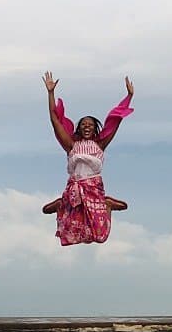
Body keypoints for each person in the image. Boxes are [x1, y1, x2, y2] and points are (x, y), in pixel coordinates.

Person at [41, 72, 134, 247]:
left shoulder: (100, 144)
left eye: (90, 125)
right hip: (75, 187)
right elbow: (55, 121)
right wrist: (50, 93)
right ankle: (61, 205)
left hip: (94, 187)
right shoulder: (71, 145)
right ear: (78, 128)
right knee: (71, 232)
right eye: (83, 124)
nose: (86, 127)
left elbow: (116, 122)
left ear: (95, 129)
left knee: (99, 235)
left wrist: (129, 96)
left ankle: (107, 204)